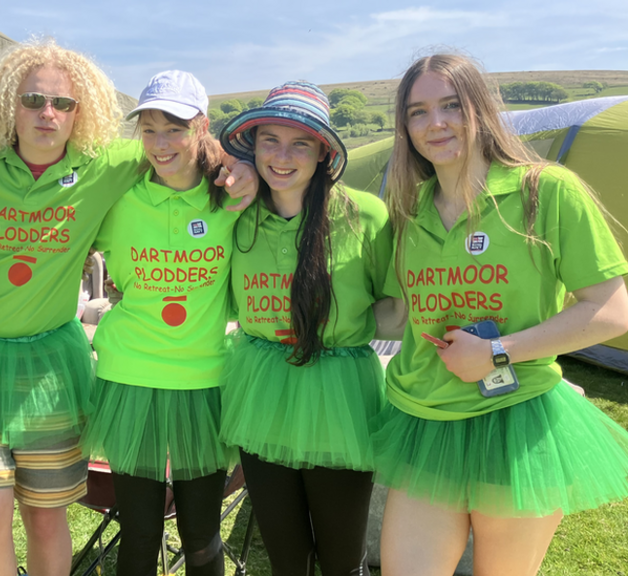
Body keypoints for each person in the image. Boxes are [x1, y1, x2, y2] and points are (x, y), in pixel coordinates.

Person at [0, 39, 252, 576]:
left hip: (50, 367)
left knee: (46, 515)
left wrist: (237, 164)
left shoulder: (108, 165)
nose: (47, 113)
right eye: (33, 100)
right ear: (10, 102)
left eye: (63, 103)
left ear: (83, 113)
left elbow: (182, 145)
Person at [374, 53, 628, 576]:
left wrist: (495, 351)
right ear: (404, 127)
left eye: (450, 105)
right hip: (424, 422)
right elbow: (401, 314)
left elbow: (610, 310)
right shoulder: (407, 211)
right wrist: (305, 318)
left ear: (481, 109)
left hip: (516, 422)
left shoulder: (546, 192)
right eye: (418, 112)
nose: (436, 123)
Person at [217, 81, 397, 576]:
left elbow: (397, 308)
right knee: (286, 557)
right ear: (251, 147)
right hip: (260, 390)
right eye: (269, 140)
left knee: (343, 558)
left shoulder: (365, 214)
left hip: (339, 395)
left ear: (323, 152)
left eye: (300, 143)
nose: (282, 156)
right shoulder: (235, 213)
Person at [81, 70, 239, 576]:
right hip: (130, 379)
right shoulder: (119, 199)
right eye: (148, 129)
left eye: (174, 128)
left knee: (200, 535)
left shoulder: (233, 198)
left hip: (204, 381)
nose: (160, 143)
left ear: (202, 126)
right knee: (141, 531)